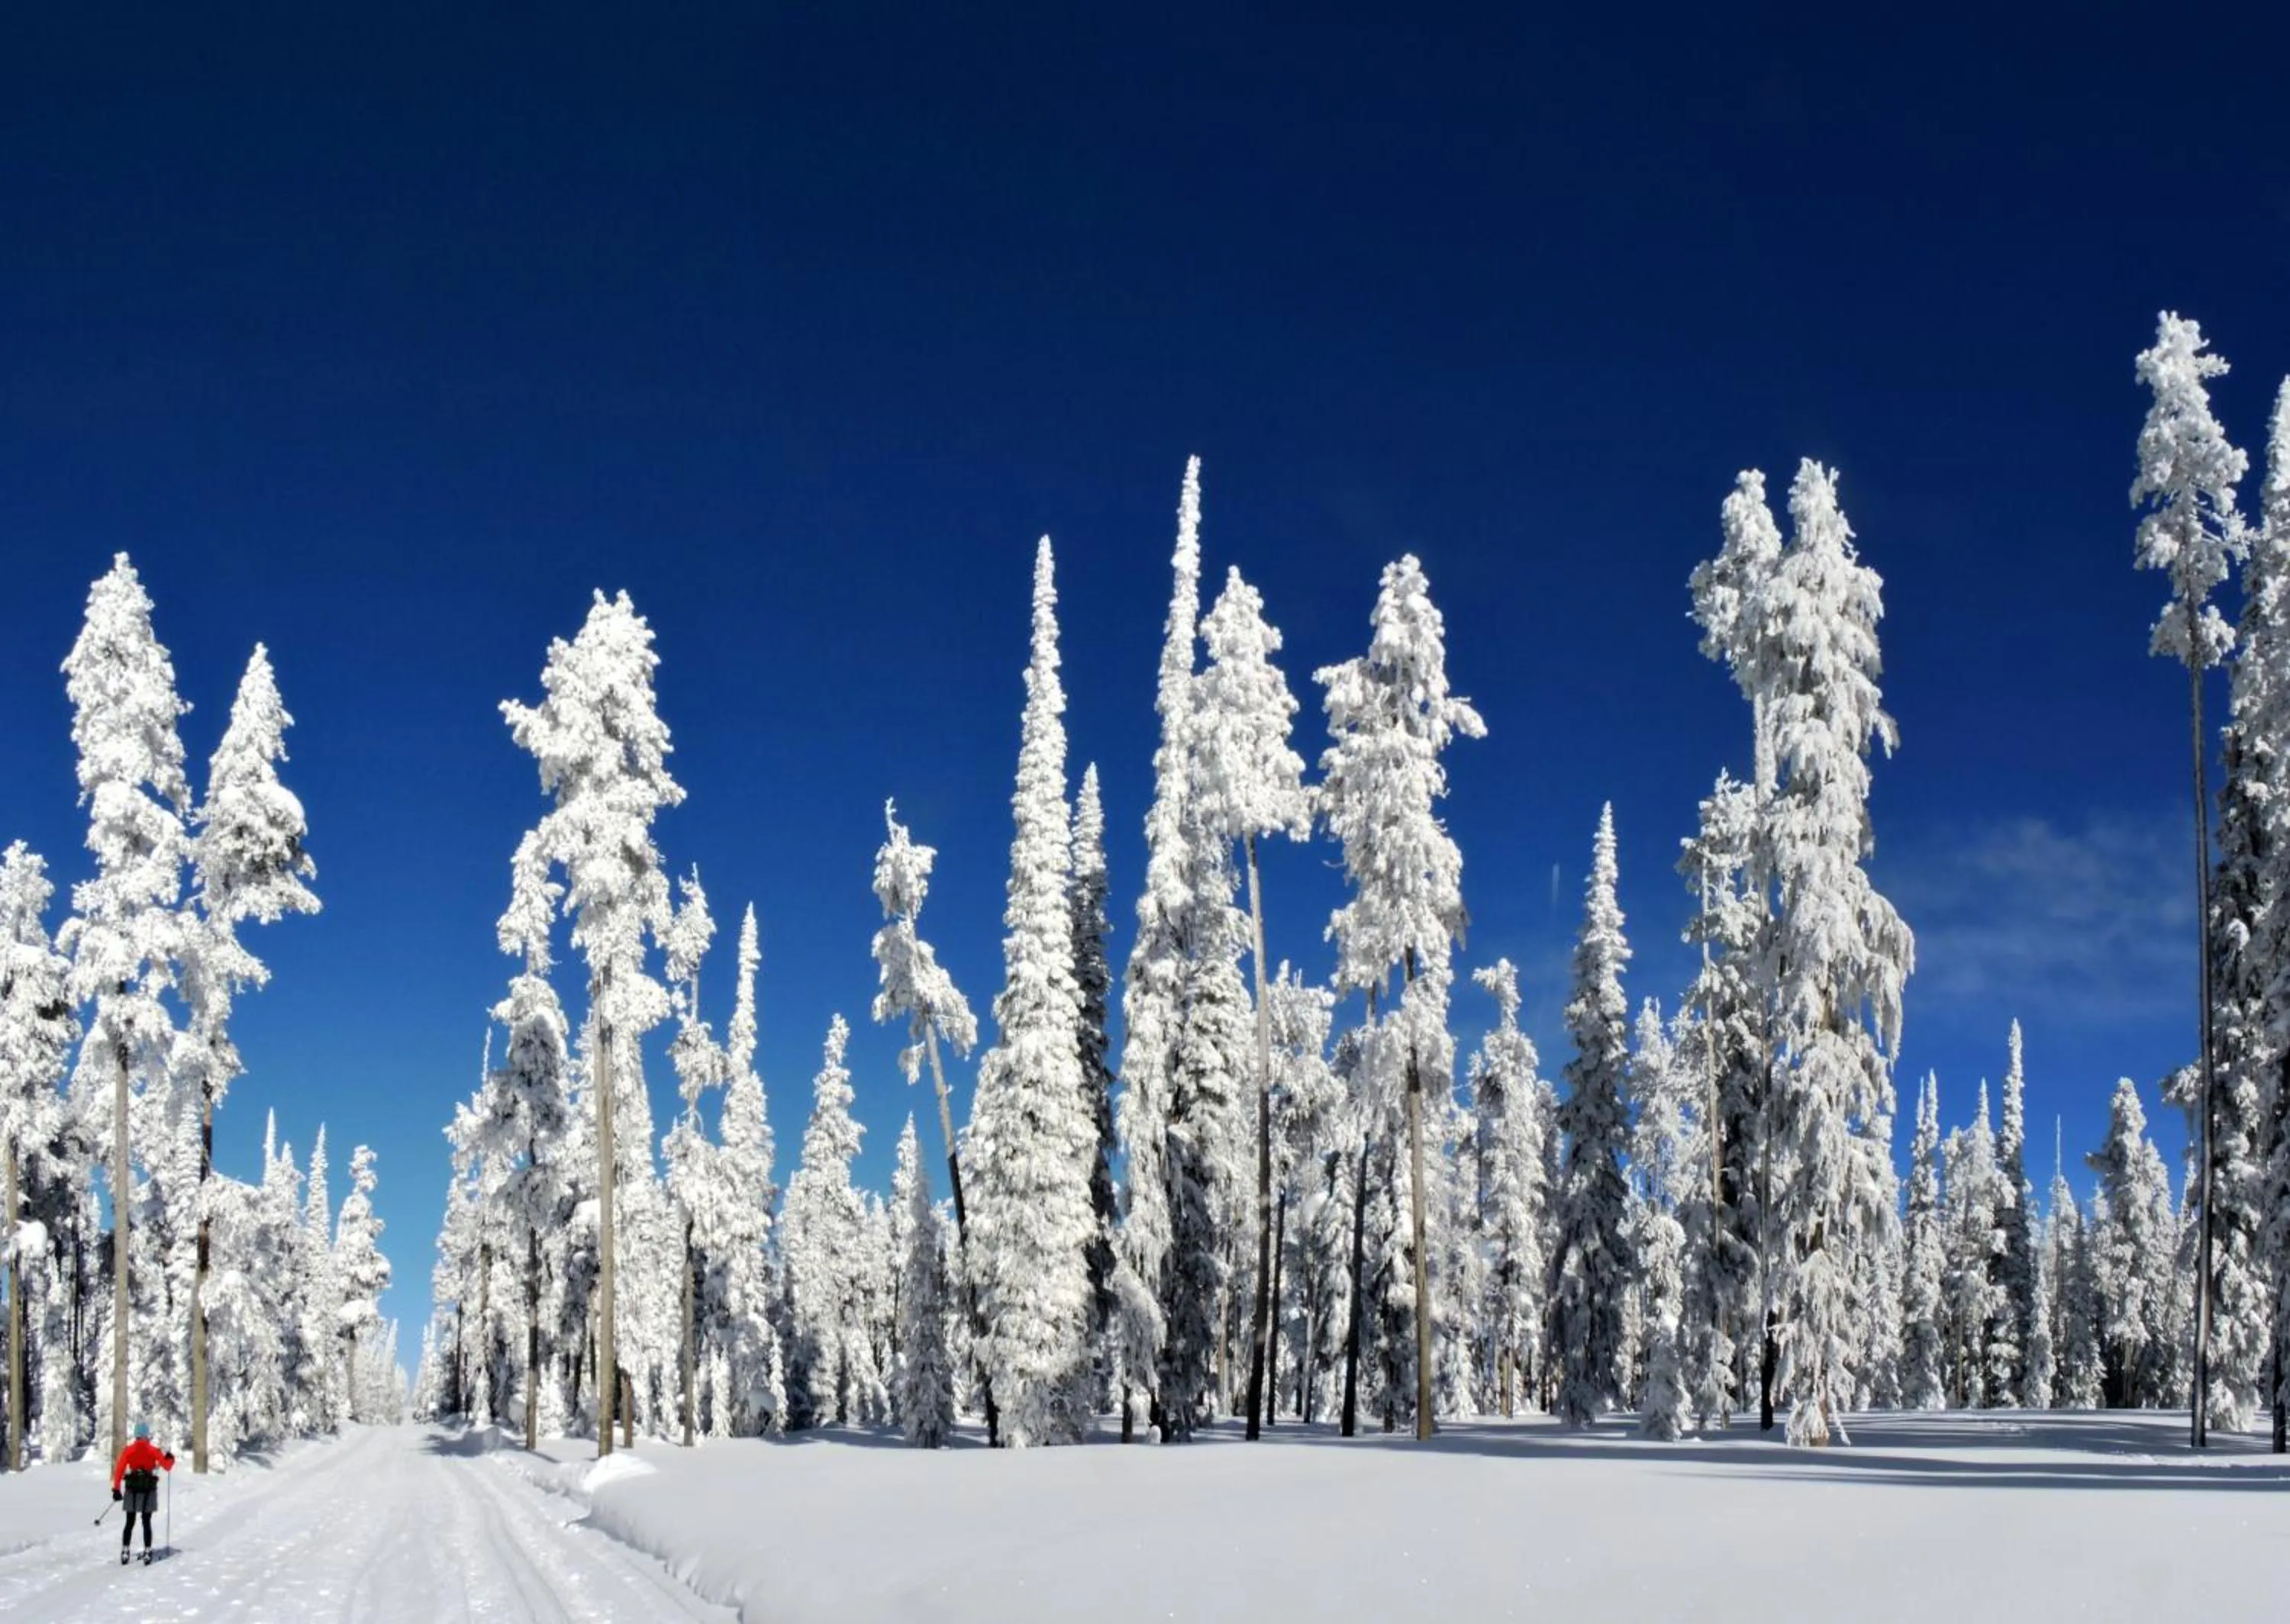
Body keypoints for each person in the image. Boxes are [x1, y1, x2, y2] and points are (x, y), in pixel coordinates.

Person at [110, 1421, 175, 1564]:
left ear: (136, 1435)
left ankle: (125, 1551)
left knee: (129, 1522)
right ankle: (147, 1552)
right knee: (146, 1522)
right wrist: (170, 1458)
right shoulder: (153, 1450)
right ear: (146, 1434)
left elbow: (119, 1470)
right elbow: (167, 1466)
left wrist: (116, 1489)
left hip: (132, 1489)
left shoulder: (128, 1450)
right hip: (148, 1490)